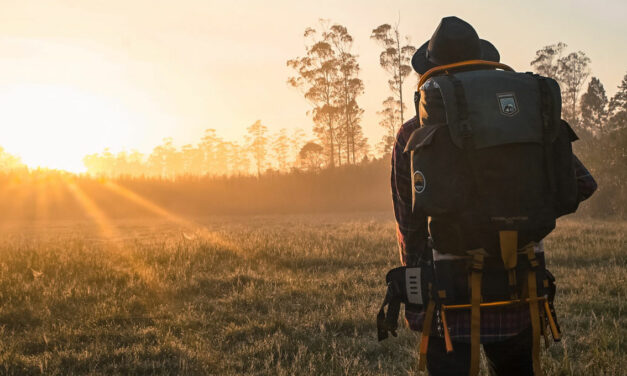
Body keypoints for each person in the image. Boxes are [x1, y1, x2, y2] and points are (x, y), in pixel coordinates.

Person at [391, 16, 597, 376]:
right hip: (521, 287)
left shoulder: (412, 133)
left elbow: (409, 223)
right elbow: (581, 184)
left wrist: (414, 295)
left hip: (448, 296)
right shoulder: (527, 121)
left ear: (433, 72)